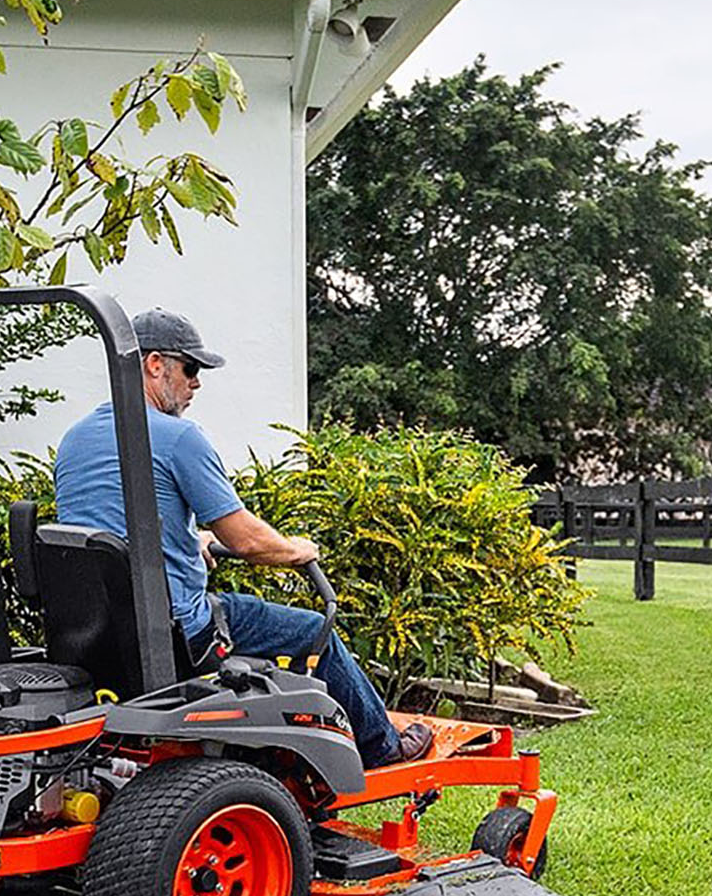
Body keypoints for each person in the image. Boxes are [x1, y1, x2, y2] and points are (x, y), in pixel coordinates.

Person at [52, 307, 432, 769]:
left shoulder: (75, 439)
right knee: (315, 631)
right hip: (178, 634)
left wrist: (189, 539)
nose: (197, 384)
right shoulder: (178, 438)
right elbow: (247, 539)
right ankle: (382, 748)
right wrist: (297, 548)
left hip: (104, 638)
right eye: (190, 369)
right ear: (155, 365)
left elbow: (113, 527)